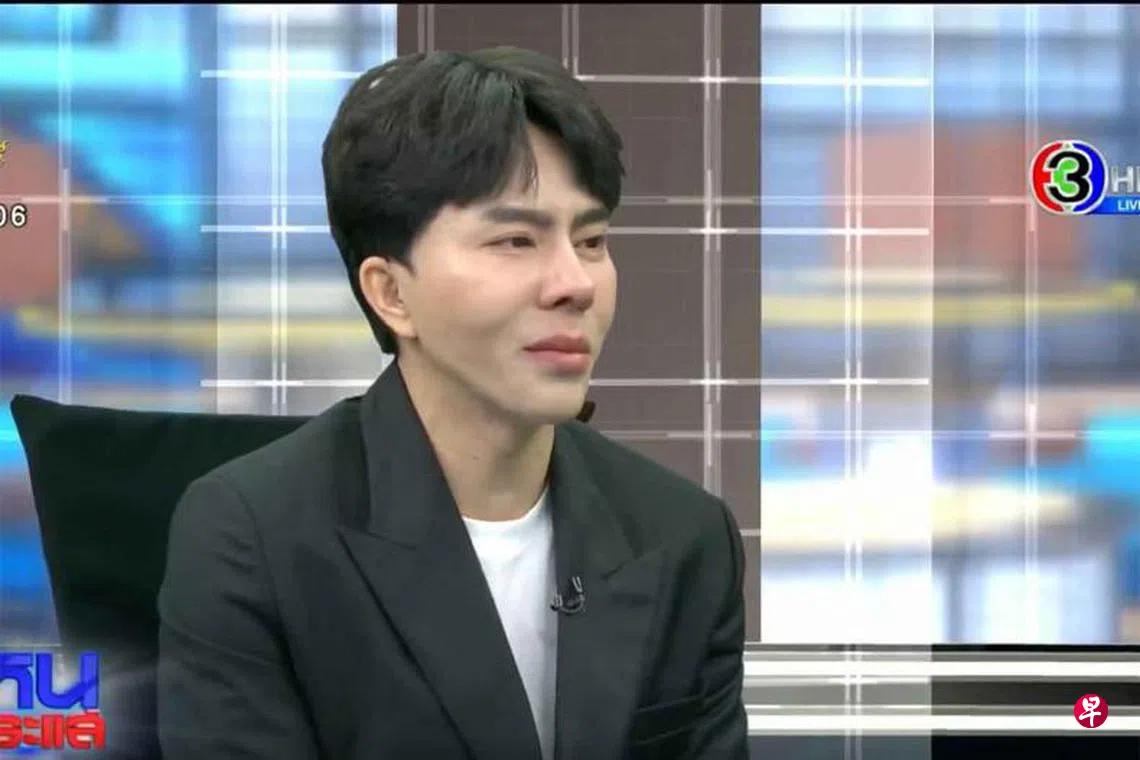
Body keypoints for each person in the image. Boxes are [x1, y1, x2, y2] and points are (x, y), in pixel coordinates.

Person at [156, 46, 748, 760]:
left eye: (591, 240)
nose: (576, 283)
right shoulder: (253, 537)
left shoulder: (685, 537)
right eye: (516, 240)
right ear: (391, 293)